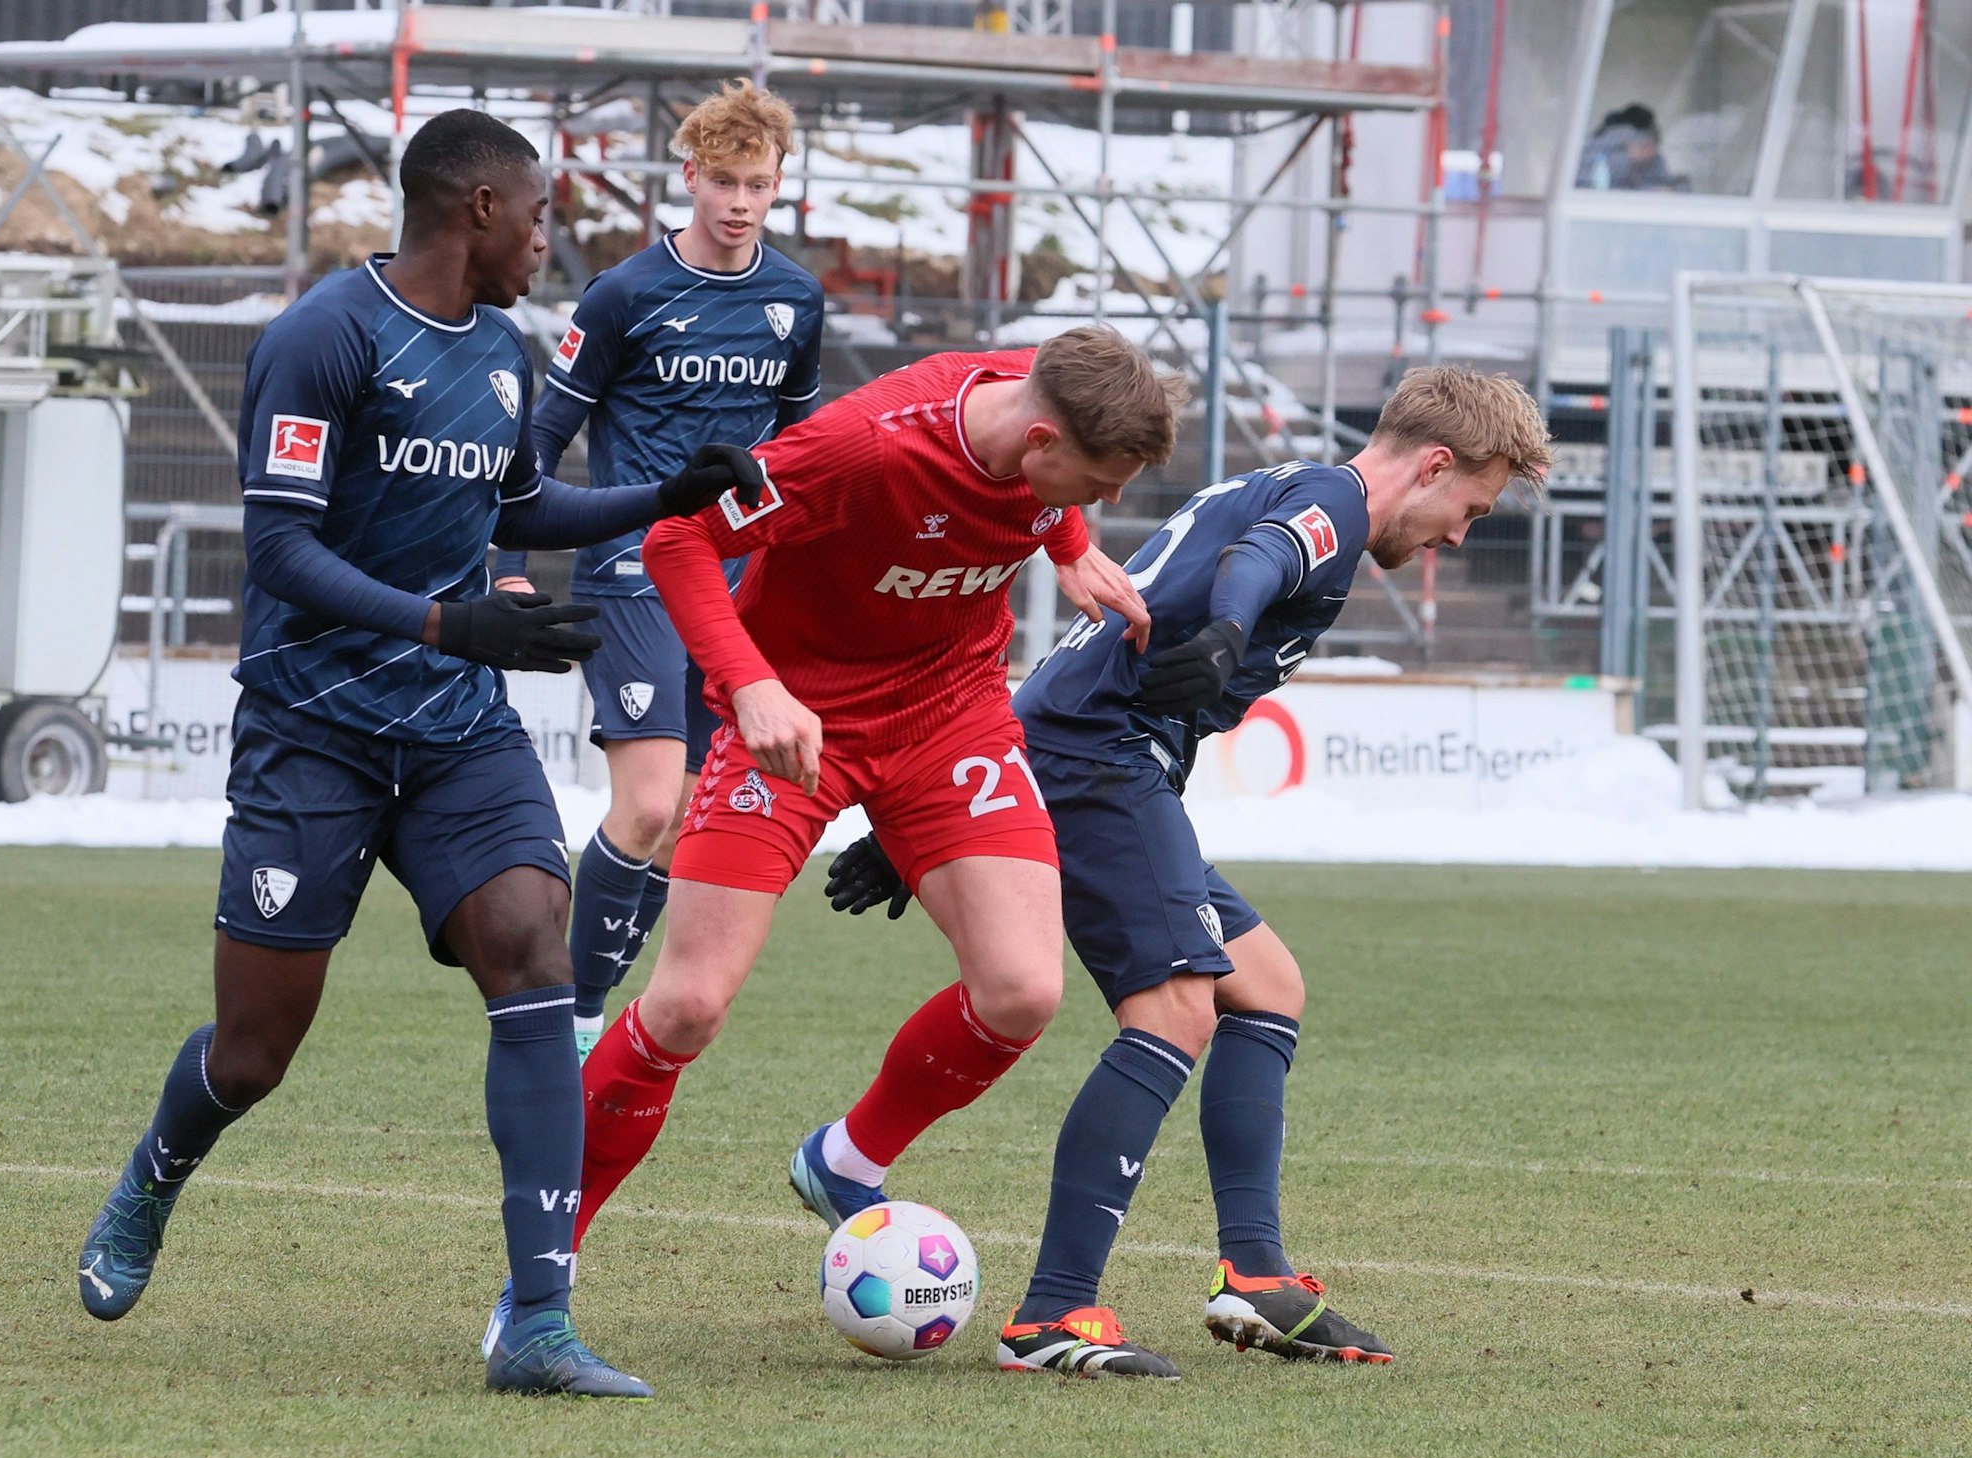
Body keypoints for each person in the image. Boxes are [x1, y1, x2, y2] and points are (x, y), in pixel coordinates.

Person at [74, 109, 761, 1400]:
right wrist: (454, 620)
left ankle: (542, 1324)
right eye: (542, 215)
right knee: (253, 1053)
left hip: (454, 729)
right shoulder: (322, 337)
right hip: (311, 733)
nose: (548, 241)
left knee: (536, 957)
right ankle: (152, 1179)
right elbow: (276, 551)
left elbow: (519, 507)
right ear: (480, 210)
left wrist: (661, 499)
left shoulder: (498, 349)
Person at [827, 366, 1552, 1377]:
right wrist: (1225, 628)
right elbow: (1259, 564)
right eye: (1467, 507)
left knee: (1267, 988)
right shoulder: (1332, 509)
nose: (1458, 536)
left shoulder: (1285, 483)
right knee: (1174, 1010)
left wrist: (959, 802)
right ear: (1431, 464)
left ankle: (1253, 1273)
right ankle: (1052, 1315)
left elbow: (1112, 635)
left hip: (1083, 753)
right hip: (1100, 760)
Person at [515, 326, 1183, 1353]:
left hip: (947, 716)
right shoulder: (863, 448)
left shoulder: (1044, 439)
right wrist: (751, 685)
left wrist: (1067, 543)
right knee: (686, 1005)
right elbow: (677, 542)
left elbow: (1042, 497)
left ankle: (846, 1161)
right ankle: (540, 1280)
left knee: (1022, 990)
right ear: (1039, 434)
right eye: (1090, 486)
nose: (1093, 504)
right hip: (793, 722)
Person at [489, 81, 824, 1063]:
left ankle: (594, 1000)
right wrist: (511, 563)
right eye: (721, 180)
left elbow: (803, 448)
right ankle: (577, 1011)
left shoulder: (793, 299)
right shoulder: (625, 294)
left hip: (739, 591)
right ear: (687, 176)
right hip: (632, 574)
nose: (737, 201)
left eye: (756, 184)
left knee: (687, 827)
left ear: (776, 187)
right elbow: (542, 439)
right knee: (644, 805)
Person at [1576, 103, 1684, 192]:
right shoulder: (1603, 151)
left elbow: (1663, 184)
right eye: (1644, 144)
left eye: (1652, 145)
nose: (1650, 151)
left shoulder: (1655, 159)